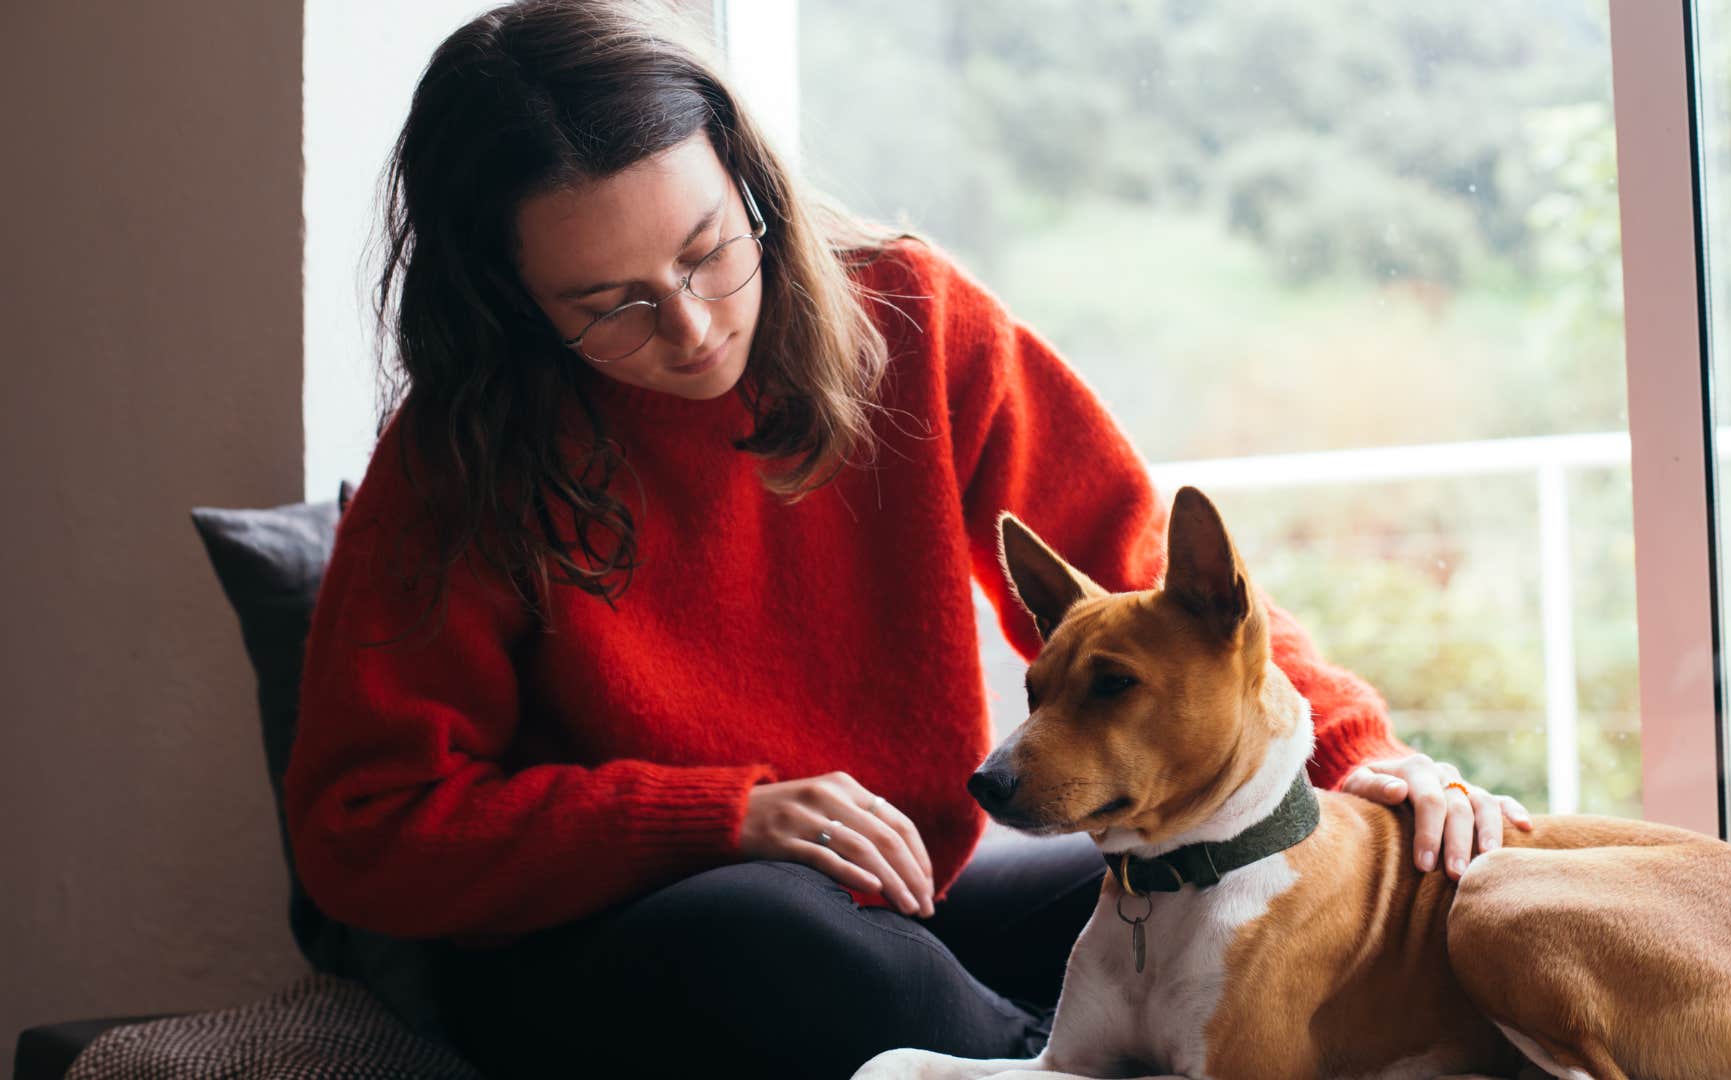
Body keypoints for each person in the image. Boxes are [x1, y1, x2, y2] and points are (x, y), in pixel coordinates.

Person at [283, 2, 1534, 1076]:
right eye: (607, 305)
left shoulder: (911, 319)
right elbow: (362, 829)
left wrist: (1364, 759)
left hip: (905, 888)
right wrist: (716, 816)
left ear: (748, 181)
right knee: (785, 938)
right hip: (630, 937)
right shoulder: (464, 455)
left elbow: (1153, 584)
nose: (692, 326)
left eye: (711, 250)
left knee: (1206, 887)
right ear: (507, 304)